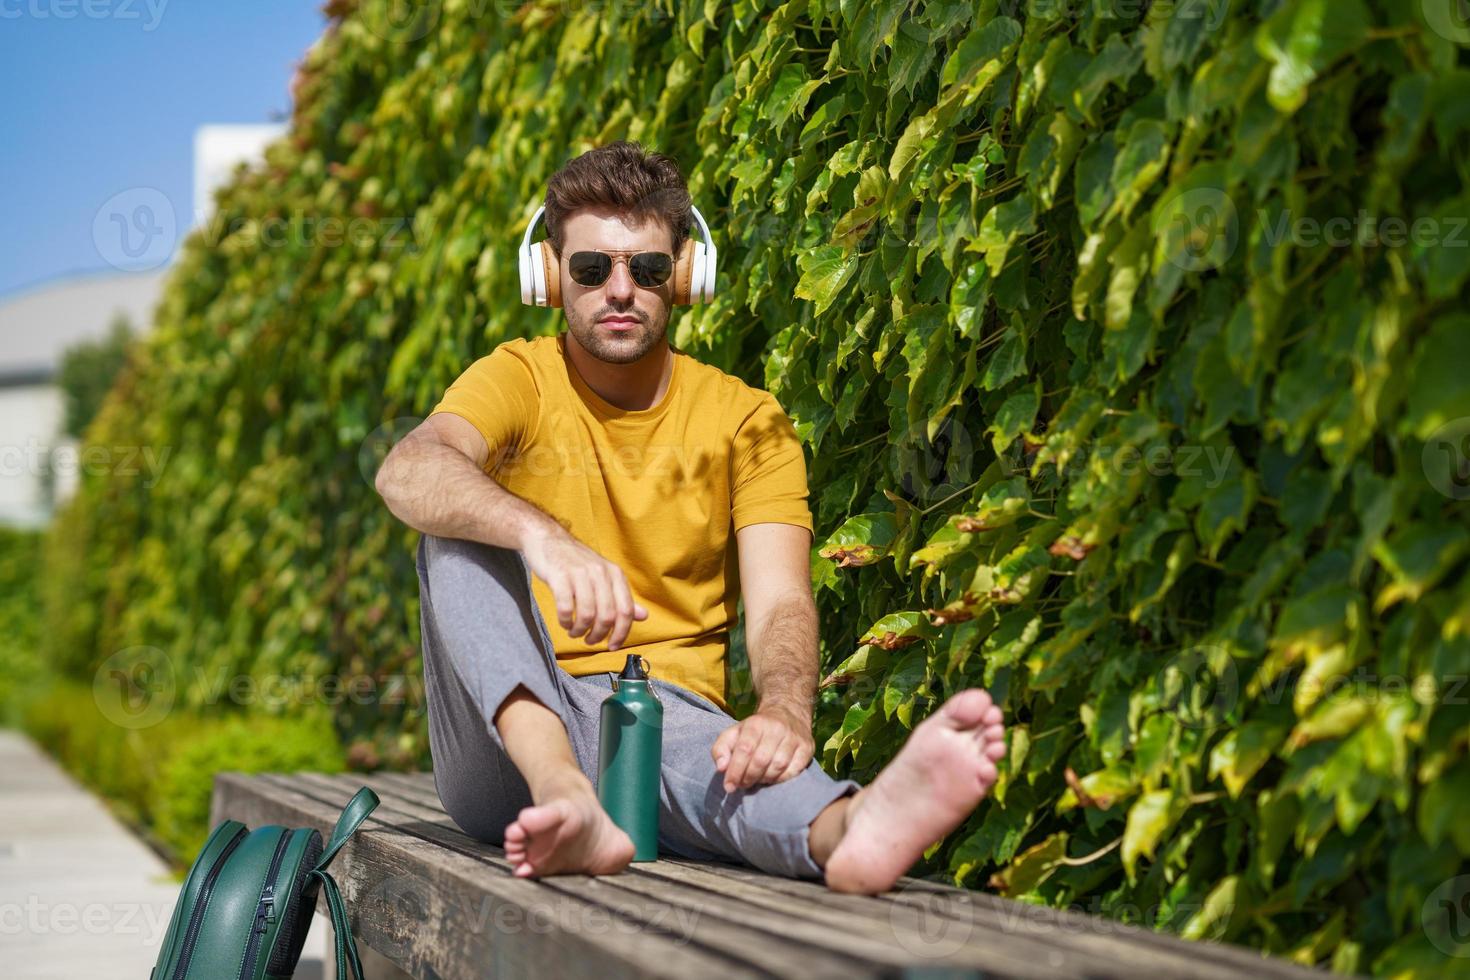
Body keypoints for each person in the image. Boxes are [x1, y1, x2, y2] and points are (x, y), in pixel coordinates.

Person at [374, 140, 1006, 894]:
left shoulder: (747, 421)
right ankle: (565, 795)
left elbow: (780, 601)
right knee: (453, 533)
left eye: (645, 269)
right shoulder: (518, 378)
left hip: (657, 719)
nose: (619, 289)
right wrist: (541, 537)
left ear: (684, 277)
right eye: (590, 268)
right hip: (502, 742)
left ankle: (850, 829)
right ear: (548, 277)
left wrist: (784, 714)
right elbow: (408, 468)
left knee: (718, 756)